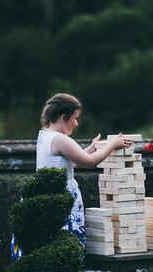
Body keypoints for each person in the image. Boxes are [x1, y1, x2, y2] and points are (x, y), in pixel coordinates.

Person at [11, 93, 132, 260]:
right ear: (63, 117)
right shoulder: (60, 139)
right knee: (63, 241)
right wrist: (112, 145)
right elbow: (89, 162)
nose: (77, 123)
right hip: (61, 194)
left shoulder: (45, 135)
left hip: (48, 191)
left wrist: (90, 148)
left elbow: (70, 162)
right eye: (75, 118)